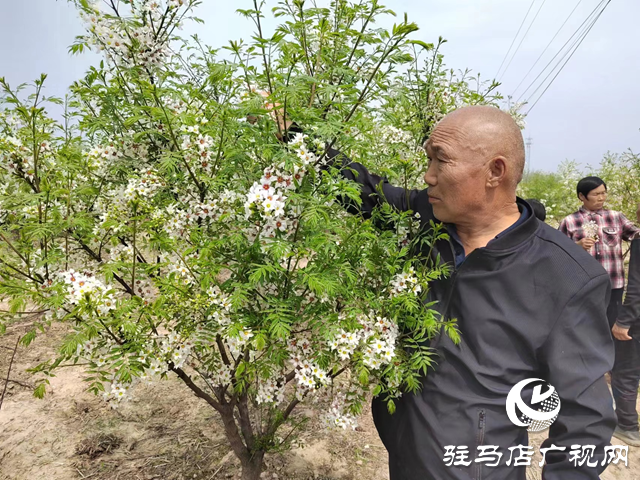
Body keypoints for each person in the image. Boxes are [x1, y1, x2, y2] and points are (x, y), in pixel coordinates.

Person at [314, 106, 615, 479]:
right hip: (406, 453)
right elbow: (365, 192)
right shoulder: (425, 219)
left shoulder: (567, 276)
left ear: (495, 172)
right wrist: (293, 136)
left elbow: (585, 420)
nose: (428, 176)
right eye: (429, 159)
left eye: (441, 161)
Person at [559, 176, 640, 328]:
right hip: (583, 287)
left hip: (613, 284)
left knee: (611, 327)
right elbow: (557, 254)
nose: (601, 198)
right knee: (586, 328)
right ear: (582, 196)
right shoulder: (569, 222)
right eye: (596, 194)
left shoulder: (616, 217)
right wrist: (576, 246)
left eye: (603, 193)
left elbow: (635, 235)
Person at [610, 205, 640, 447]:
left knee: (626, 373)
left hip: (636, 320)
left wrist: (624, 322)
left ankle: (627, 426)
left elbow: (637, 288)